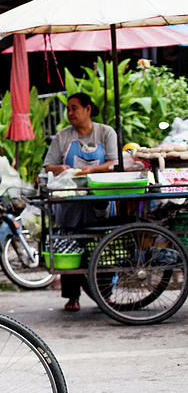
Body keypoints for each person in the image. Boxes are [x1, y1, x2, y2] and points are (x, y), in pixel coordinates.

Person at [43, 92, 117, 312]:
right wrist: (60, 169)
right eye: (68, 108)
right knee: (71, 245)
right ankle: (72, 296)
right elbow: (48, 166)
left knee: (103, 247)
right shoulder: (63, 137)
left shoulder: (106, 133)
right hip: (70, 203)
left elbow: (114, 163)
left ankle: (106, 294)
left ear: (88, 109)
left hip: (99, 201)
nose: (70, 113)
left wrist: (90, 169)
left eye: (74, 108)